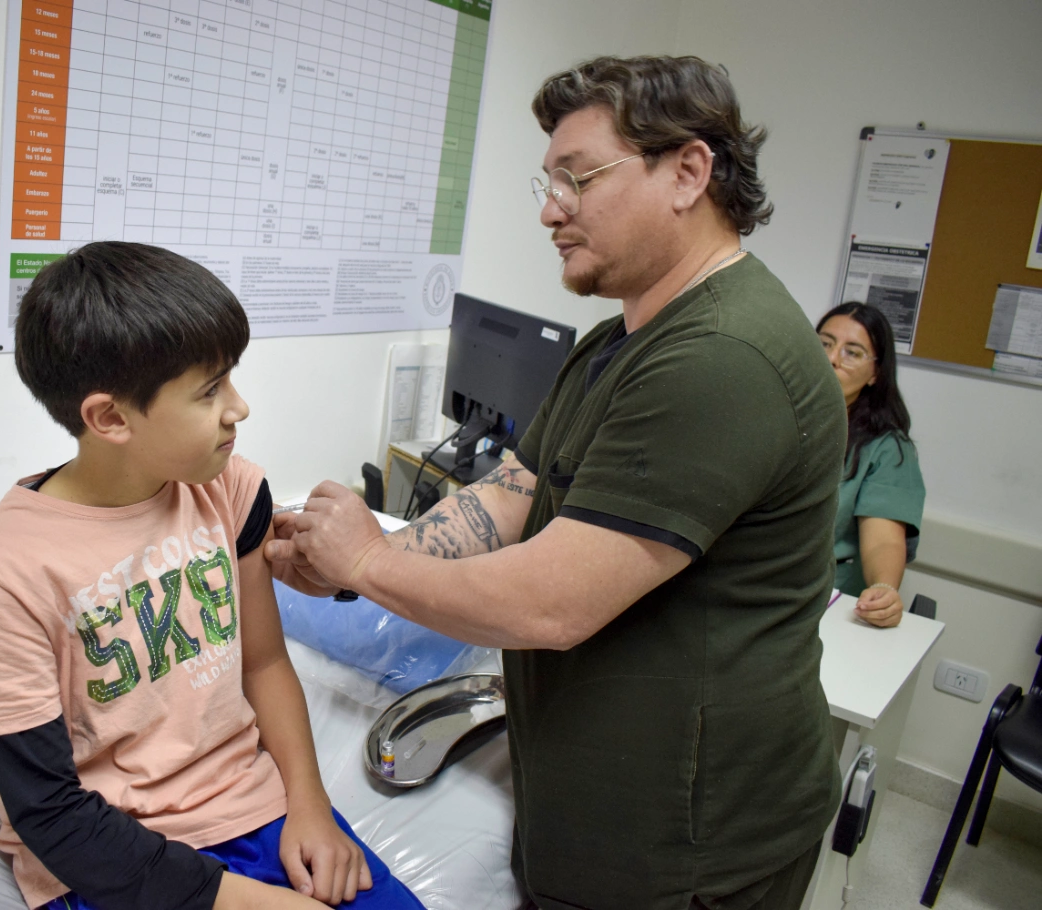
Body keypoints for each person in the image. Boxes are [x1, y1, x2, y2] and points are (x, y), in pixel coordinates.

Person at [268, 56, 847, 910]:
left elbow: (552, 606)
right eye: (548, 182)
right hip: (591, 801)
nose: (550, 210)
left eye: (578, 179)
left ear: (688, 172)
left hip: (689, 846)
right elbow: (514, 491)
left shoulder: (722, 359)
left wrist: (367, 563)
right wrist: (348, 565)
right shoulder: (621, 338)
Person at [0, 243, 424, 910]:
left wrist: (311, 805)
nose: (239, 407)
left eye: (231, 379)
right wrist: (254, 903)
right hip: (113, 856)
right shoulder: (1, 578)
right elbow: (50, 813)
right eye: (209, 390)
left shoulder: (229, 491)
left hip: (257, 810)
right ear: (110, 418)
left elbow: (263, 662)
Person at [817, 302, 925, 628]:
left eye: (852, 352)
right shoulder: (769, 418)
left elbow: (883, 540)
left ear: (876, 373)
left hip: (822, 600)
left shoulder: (885, 449)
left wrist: (883, 587)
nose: (832, 359)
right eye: (824, 344)